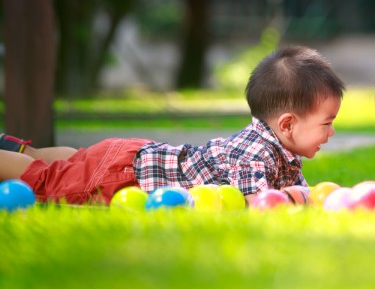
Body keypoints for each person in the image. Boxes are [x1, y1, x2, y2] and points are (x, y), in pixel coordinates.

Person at [0, 45, 345, 205]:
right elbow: (261, 204)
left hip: (130, 158)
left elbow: (308, 193)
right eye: (326, 123)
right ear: (287, 124)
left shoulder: (284, 152)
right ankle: (11, 158)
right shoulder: (256, 154)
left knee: (75, 161)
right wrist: (298, 200)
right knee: (46, 181)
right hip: (122, 174)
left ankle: (17, 147)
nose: (330, 133)